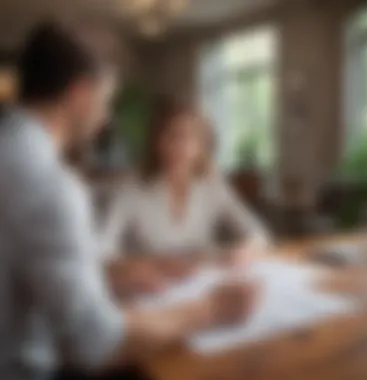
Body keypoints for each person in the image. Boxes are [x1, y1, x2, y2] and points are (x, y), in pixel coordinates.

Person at [0, 21, 258, 380]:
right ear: (80, 94)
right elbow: (97, 344)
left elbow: (34, 267)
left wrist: (110, 275)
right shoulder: (51, 186)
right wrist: (211, 309)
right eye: (106, 101)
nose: (105, 118)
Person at [102, 99, 271, 273]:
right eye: (172, 135)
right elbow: (102, 251)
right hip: (149, 288)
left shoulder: (212, 186)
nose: (180, 146)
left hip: (201, 284)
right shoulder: (128, 190)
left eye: (191, 137)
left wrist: (244, 252)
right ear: (156, 142)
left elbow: (257, 234)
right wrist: (132, 269)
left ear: (202, 146)